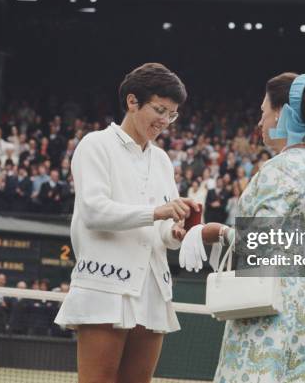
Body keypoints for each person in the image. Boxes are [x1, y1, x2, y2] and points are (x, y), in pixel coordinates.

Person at [180, 72, 305, 383]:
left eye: (263, 111)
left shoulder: (280, 168)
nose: (260, 120)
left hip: (268, 304)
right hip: (304, 305)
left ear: (281, 113)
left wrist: (212, 232)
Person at [54, 63, 199, 383]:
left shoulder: (162, 159)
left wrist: (175, 231)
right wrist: (157, 212)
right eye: (160, 109)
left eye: (172, 114)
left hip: (154, 290)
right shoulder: (95, 145)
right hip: (105, 288)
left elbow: (163, 231)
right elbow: (93, 212)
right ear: (132, 102)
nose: (165, 121)